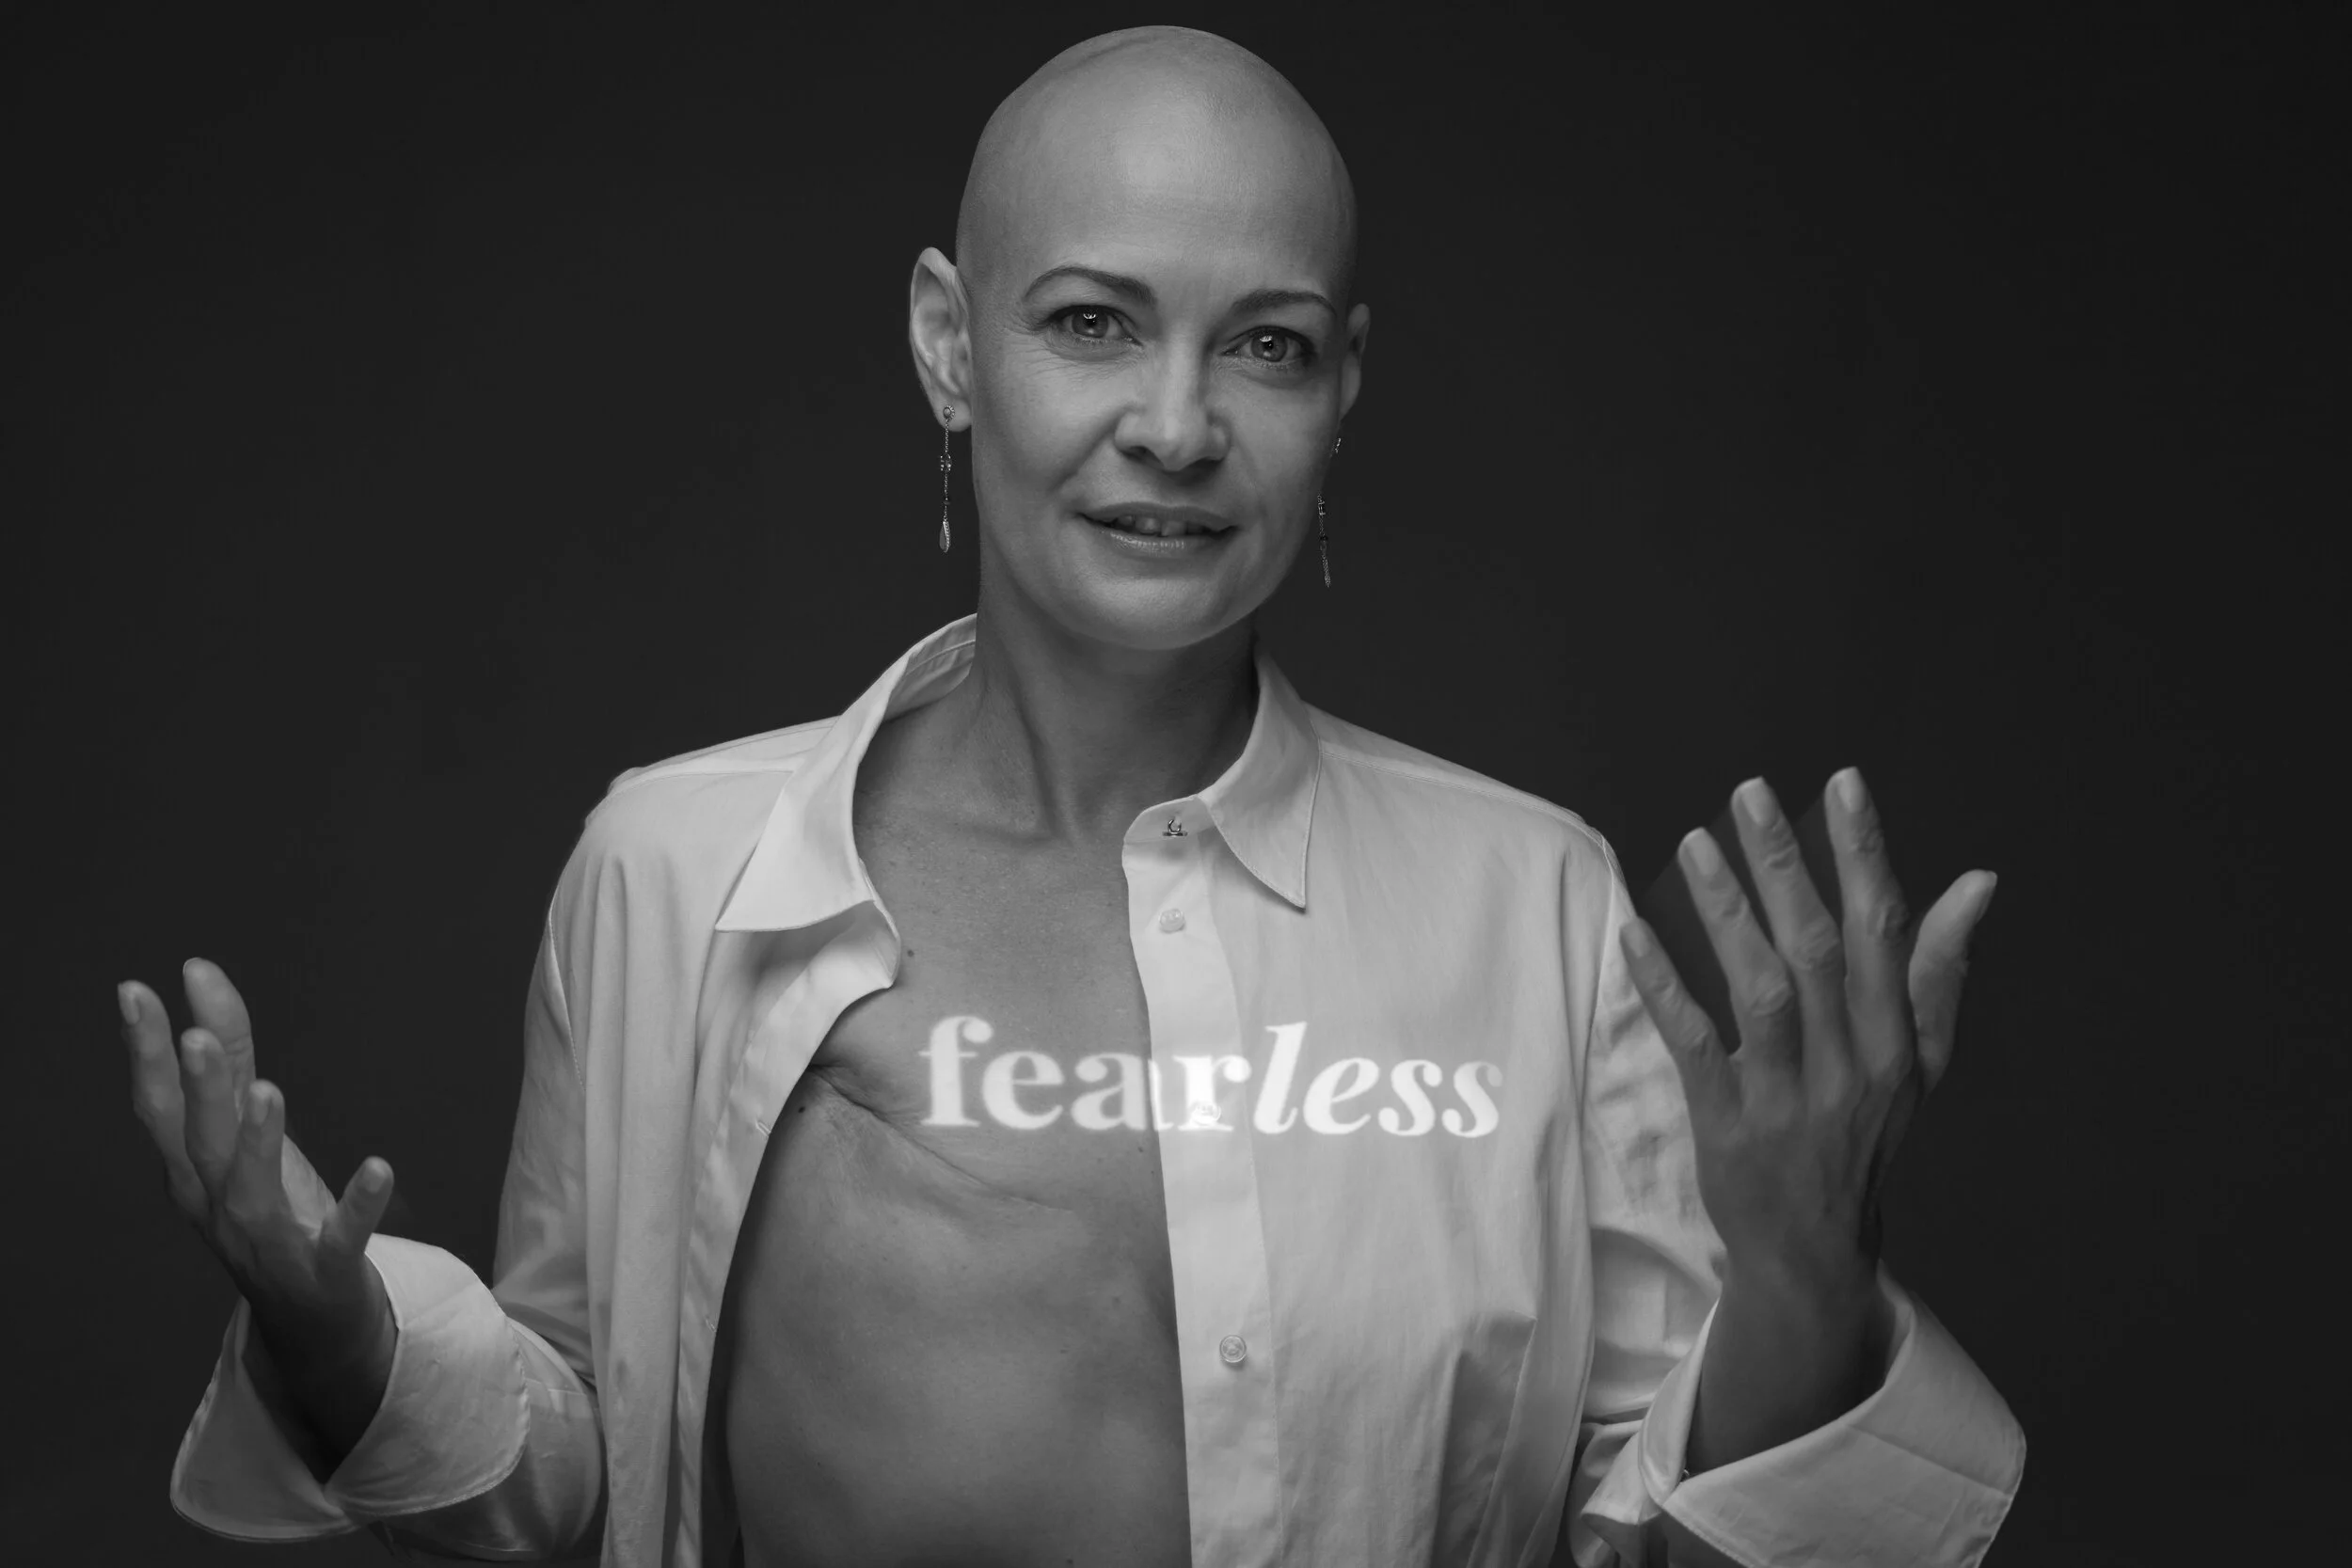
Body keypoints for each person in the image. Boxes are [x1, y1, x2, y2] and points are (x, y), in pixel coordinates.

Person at [124, 25, 2023, 1568]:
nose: (1177, 425)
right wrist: (338, 1332)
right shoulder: (673, 869)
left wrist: (1803, 1282)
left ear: (1343, 388)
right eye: (1094, 321)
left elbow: (1657, 1539)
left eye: (1265, 344)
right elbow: (579, 1468)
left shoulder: (1531, 906)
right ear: (951, 343)